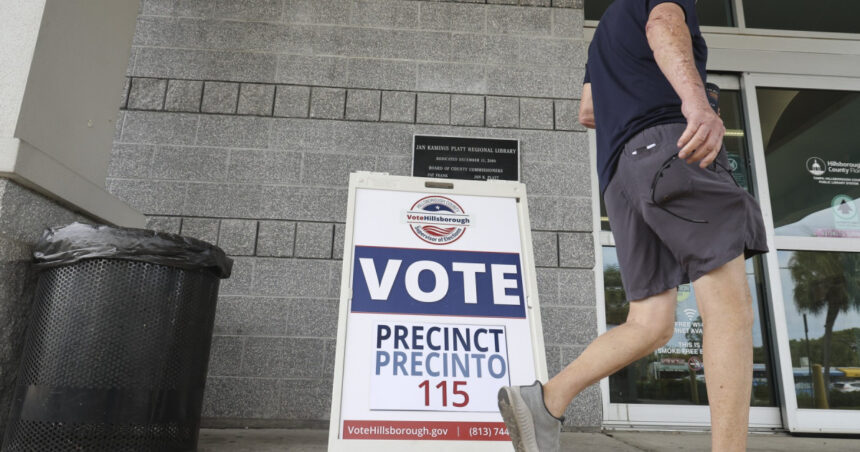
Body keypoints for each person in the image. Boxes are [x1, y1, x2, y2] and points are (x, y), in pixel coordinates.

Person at [497, 1, 769, 451]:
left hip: (622, 175)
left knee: (651, 322)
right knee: (729, 309)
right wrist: (696, 101)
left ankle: (546, 400)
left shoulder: (605, 32)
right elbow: (664, 24)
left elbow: (588, 110)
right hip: (673, 146)